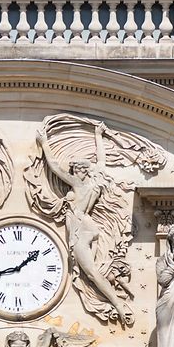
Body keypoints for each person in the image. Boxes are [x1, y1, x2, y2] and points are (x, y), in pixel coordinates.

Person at [36, 124, 132, 325]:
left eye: (75, 170)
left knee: (91, 272)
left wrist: (44, 142)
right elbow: (102, 161)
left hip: (80, 226)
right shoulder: (95, 182)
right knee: (92, 270)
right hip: (89, 225)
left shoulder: (77, 184)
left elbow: (53, 165)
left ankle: (118, 303)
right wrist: (98, 135)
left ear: (80, 171)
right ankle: (115, 293)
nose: (74, 173)